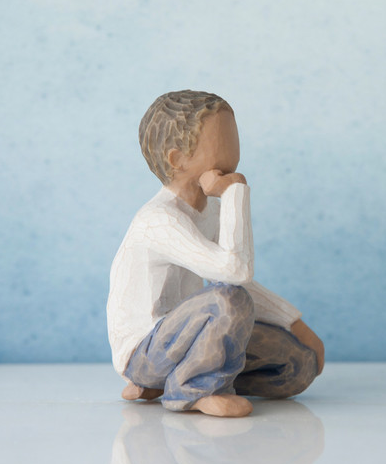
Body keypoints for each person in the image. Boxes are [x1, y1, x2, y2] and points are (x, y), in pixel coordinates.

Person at [107, 90, 324, 417]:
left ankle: (179, 378)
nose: (233, 149)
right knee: (229, 300)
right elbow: (235, 273)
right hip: (146, 348)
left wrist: (293, 322)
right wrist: (236, 192)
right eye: (221, 139)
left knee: (297, 366)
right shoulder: (159, 220)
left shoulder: (208, 211)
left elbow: (238, 280)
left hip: (196, 336)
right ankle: (192, 389)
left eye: (232, 135)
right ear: (177, 159)